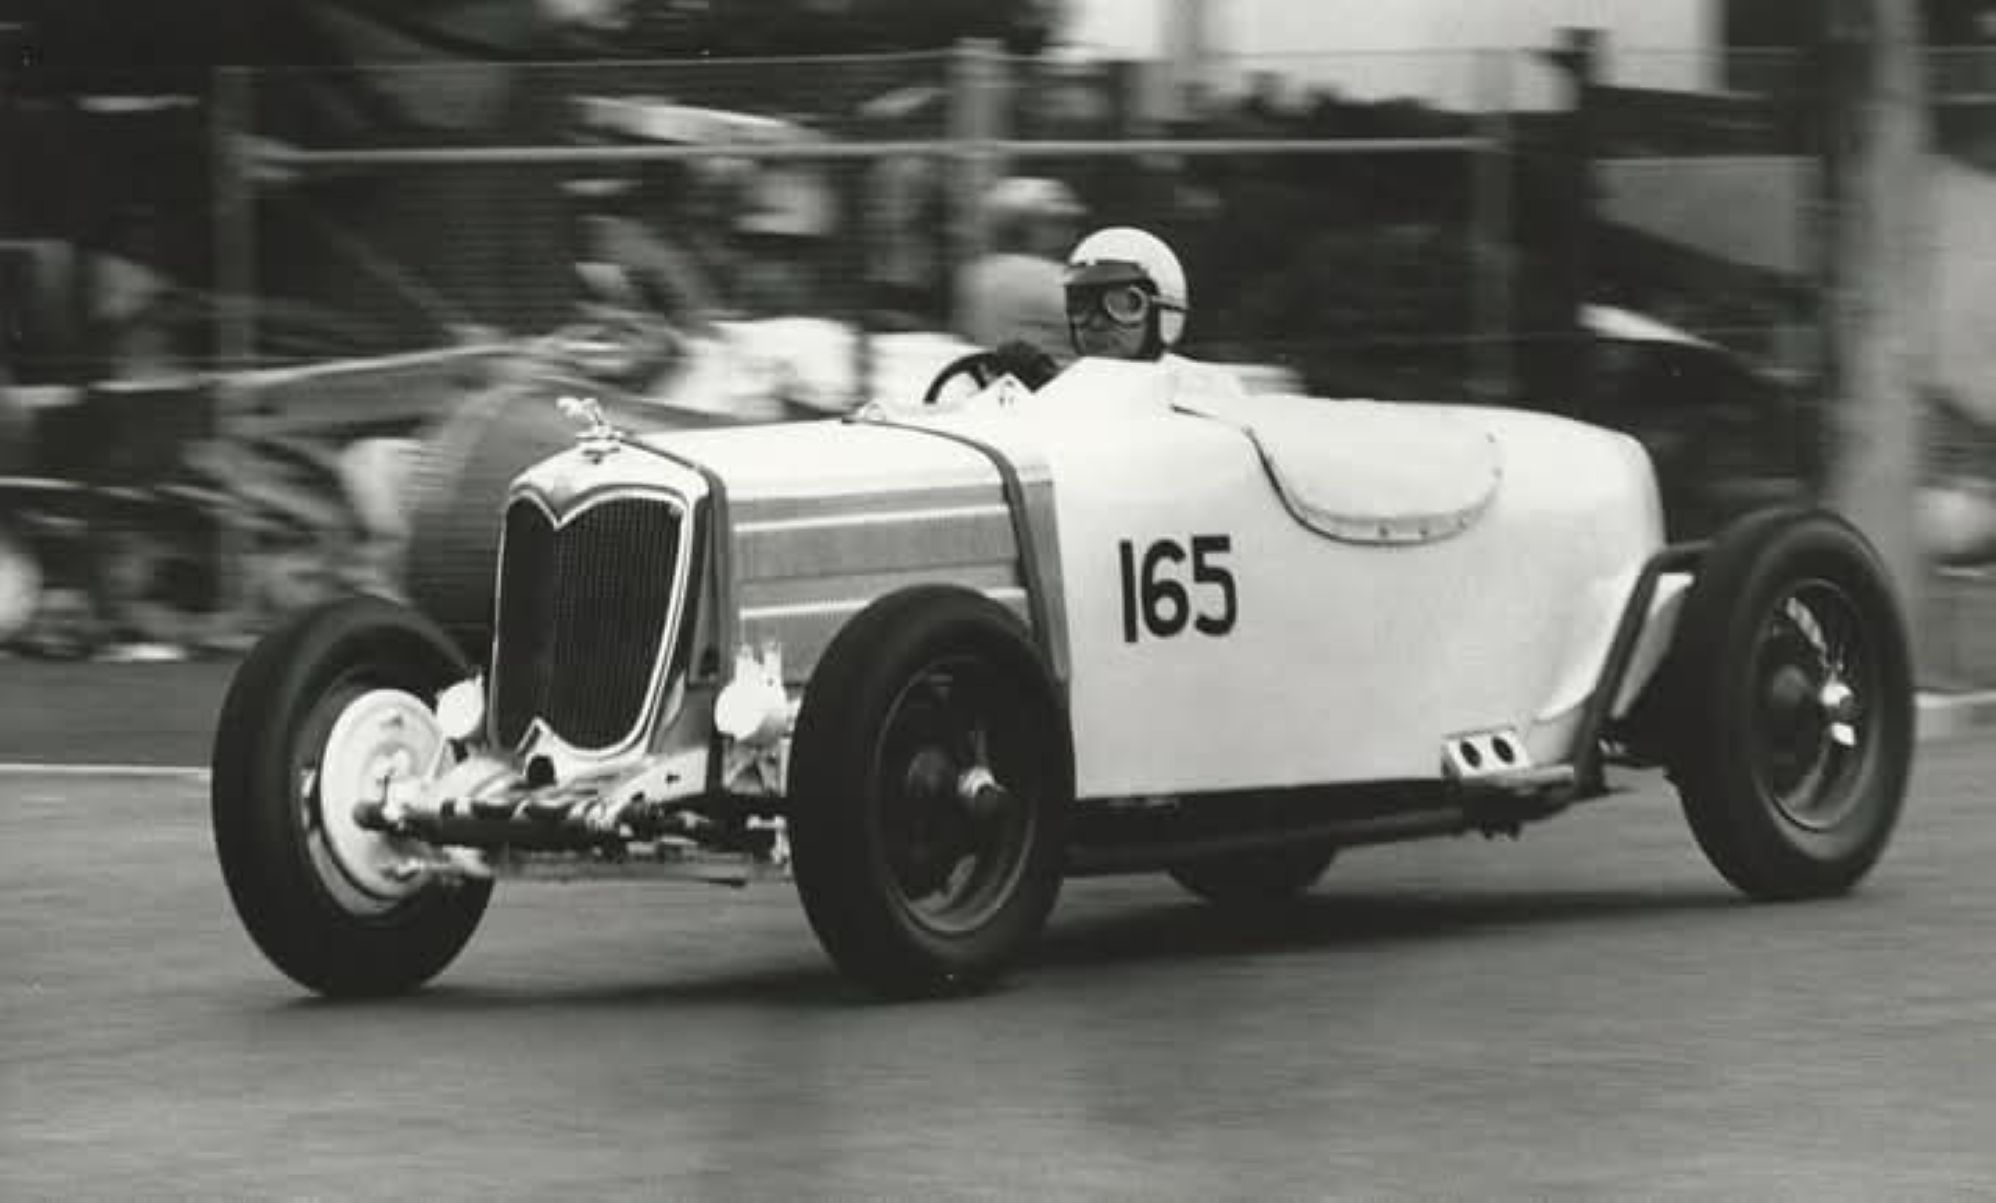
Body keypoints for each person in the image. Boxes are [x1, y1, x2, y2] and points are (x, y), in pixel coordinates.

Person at [958, 177, 1086, 358]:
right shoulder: (1051, 278)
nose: (1069, 231)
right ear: (1022, 226)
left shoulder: (977, 273)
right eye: (1057, 222)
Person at [1061, 225, 1190, 363]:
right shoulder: (1064, 382)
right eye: (1081, 306)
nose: (1096, 323)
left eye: (1120, 305)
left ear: (1164, 313)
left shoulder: (1194, 382)